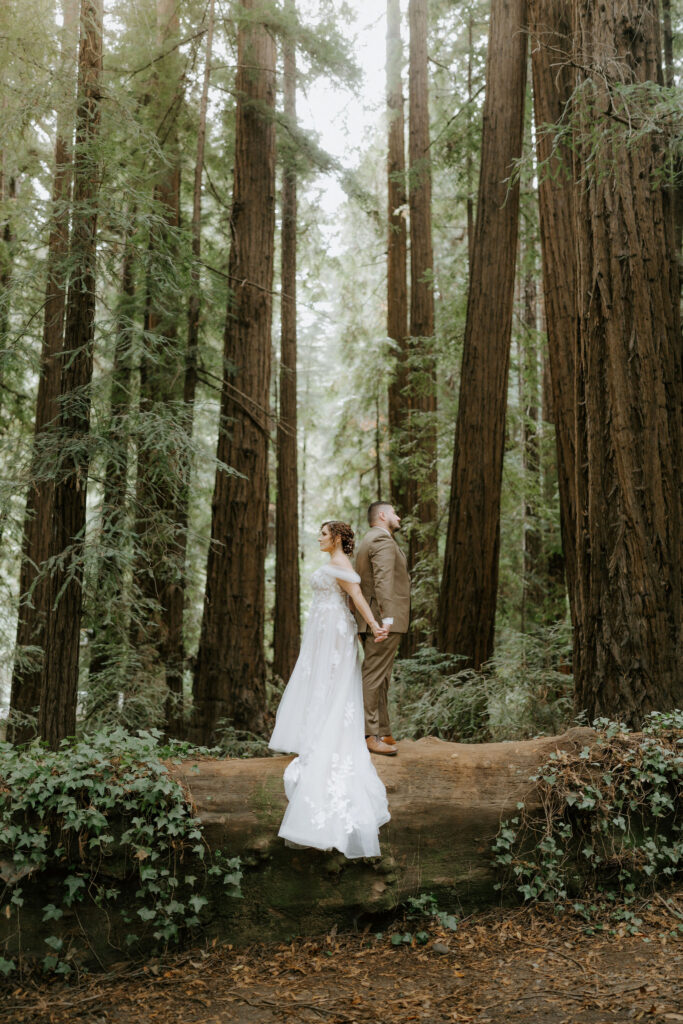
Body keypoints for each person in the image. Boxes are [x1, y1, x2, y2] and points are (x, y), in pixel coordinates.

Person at [269, 520, 391, 858]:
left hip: (335, 634)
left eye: (323, 534)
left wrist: (376, 626)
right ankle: (316, 732)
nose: (319, 538)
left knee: (333, 687)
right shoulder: (334, 563)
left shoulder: (340, 564)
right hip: (324, 632)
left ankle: (326, 740)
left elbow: (355, 598)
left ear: (336, 538)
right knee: (320, 685)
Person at [354, 501, 411, 757]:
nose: (398, 517)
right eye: (395, 513)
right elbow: (383, 581)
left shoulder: (370, 539)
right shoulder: (382, 540)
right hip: (382, 620)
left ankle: (384, 730)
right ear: (382, 515)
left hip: (375, 619)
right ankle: (369, 734)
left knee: (382, 677)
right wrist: (387, 619)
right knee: (374, 675)